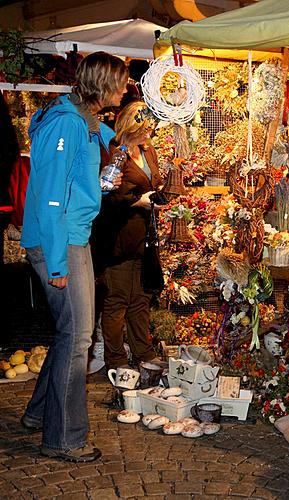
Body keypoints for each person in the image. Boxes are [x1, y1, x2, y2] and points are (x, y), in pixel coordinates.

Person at [20, 51, 128, 463]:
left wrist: (103, 180)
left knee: (70, 334)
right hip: (60, 242)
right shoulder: (66, 124)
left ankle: (37, 413)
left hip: (69, 235)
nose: (124, 87)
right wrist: (59, 264)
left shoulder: (87, 123)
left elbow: (75, 187)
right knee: (79, 337)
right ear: (103, 84)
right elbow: (49, 199)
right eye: (119, 81)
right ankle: (64, 438)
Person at [91, 100, 165, 370]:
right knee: (117, 300)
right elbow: (108, 195)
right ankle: (116, 359)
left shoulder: (148, 149)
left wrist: (157, 194)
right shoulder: (114, 152)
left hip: (144, 236)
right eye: (145, 129)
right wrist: (138, 202)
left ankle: (143, 353)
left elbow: (153, 179)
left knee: (141, 297)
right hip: (118, 235)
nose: (150, 134)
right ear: (132, 127)